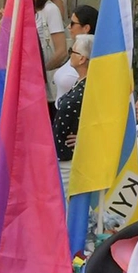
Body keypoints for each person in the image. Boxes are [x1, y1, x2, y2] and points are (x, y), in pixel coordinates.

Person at [51, 34, 92, 188]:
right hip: (62, 154)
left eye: (72, 52)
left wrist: (86, 136)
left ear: (82, 59)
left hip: (70, 157)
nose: (69, 56)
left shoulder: (89, 87)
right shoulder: (80, 81)